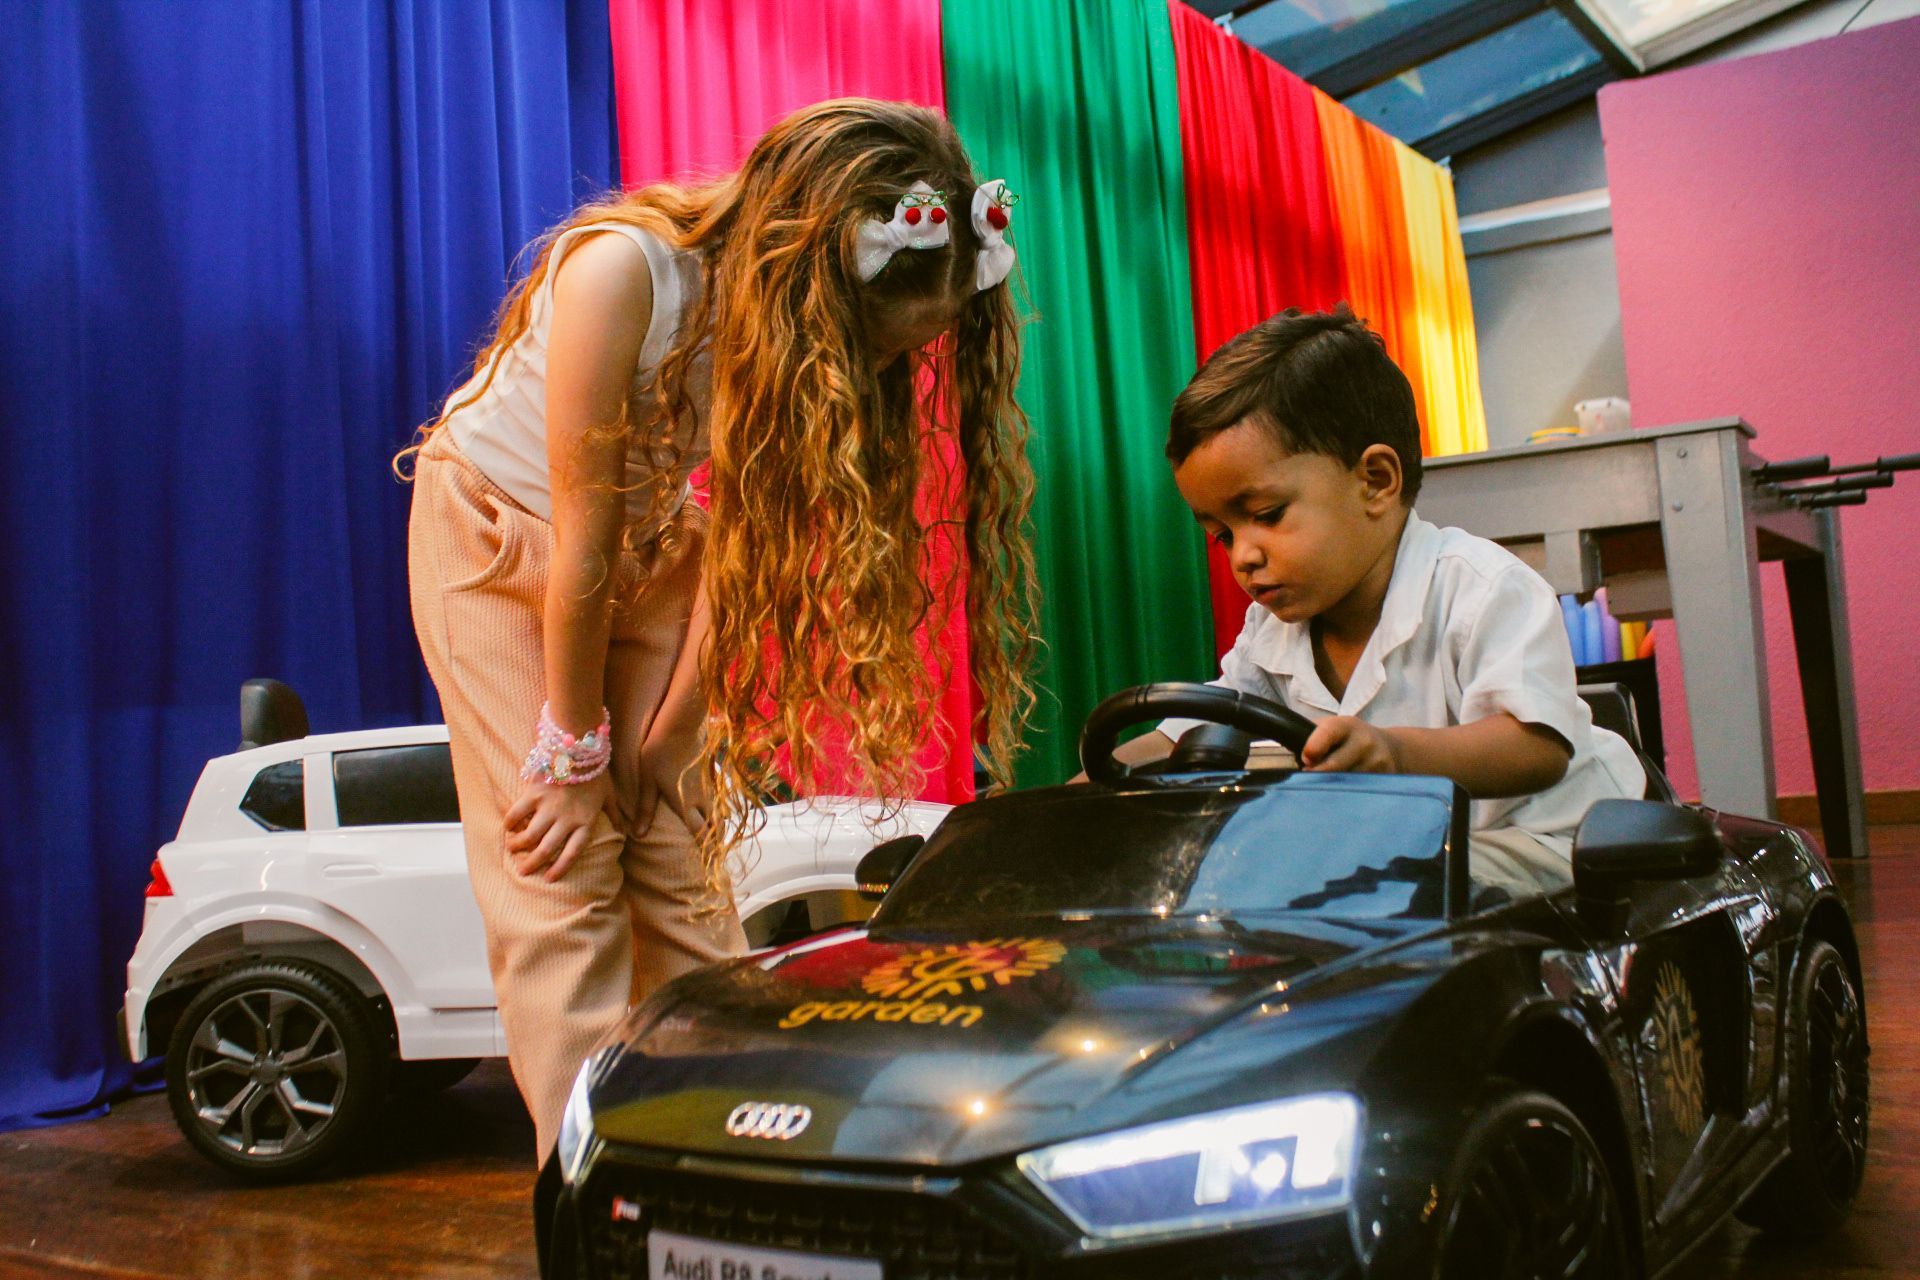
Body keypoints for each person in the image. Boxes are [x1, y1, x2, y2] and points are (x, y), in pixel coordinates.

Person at [400, 99, 1038, 1158]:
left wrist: (661, 742)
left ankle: (729, 1150)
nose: (886, 374)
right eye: (877, 343)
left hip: (651, 545)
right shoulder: (623, 272)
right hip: (501, 538)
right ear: (815, 270)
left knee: (672, 847)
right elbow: (583, 533)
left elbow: (737, 552)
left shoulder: (792, 358)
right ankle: (599, 1178)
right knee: (558, 867)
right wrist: (571, 749)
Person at [1115, 306, 1643, 894]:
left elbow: (1535, 746)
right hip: (1407, 854)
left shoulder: (1482, 587)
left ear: (1376, 482)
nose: (1243, 555)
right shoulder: (1272, 631)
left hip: (1551, 846)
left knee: (1359, 888)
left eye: (1265, 516)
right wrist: (1082, 789)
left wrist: (1395, 752)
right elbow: (1186, 731)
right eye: (1223, 535)